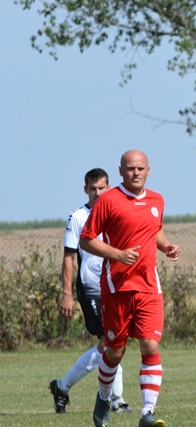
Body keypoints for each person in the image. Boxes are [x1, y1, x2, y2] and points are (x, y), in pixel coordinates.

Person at [80, 150, 180, 427]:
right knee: (115, 351)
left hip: (149, 286)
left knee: (150, 345)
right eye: (130, 168)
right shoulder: (108, 200)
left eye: (140, 168)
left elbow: (154, 229)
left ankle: (148, 412)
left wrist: (166, 246)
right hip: (117, 287)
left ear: (148, 170)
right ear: (121, 171)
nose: (136, 172)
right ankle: (103, 397)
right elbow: (86, 240)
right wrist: (117, 254)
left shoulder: (157, 200)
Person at [49, 168, 133, 414]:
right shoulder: (78, 217)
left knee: (114, 341)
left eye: (102, 188)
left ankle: (62, 386)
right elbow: (68, 258)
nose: (97, 193)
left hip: (115, 285)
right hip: (92, 287)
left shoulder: (117, 212)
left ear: (110, 188)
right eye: (92, 189)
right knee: (109, 342)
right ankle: (115, 400)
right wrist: (67, 295)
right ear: (85, 189)